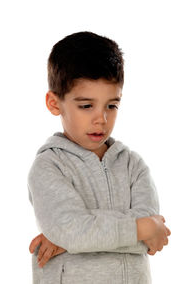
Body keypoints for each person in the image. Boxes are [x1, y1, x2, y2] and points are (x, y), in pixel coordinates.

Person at [28, 31, 171, 284]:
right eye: (86, 106)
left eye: (111, 105)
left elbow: (152, 238)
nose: (101, 119)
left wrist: (73, 240)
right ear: (54, 103)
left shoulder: (134, 166)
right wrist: (139, 228)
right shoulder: (49, 166)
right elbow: (143, 229)